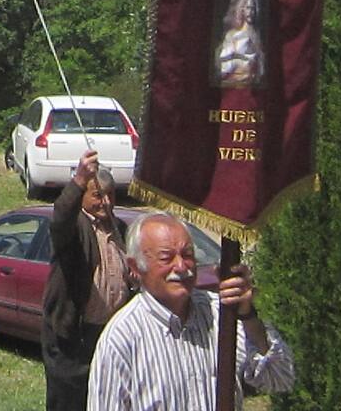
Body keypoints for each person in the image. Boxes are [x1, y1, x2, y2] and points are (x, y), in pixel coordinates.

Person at [87, 212, 296, 409]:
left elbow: (279, 378)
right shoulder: (122, 339)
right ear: (135, 267)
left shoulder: (220, 315)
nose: (181, 266)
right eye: (166, 258)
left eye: (187, 255)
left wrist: (248, 315)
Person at [42, 150, 130, 410]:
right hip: (74, 337)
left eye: (110, 195)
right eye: (98, 195)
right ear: (82, 197)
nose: (106, 202)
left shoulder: (120, 229)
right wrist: (79, 179)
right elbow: (60, 218)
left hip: (110, 333)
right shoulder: (75, 227)